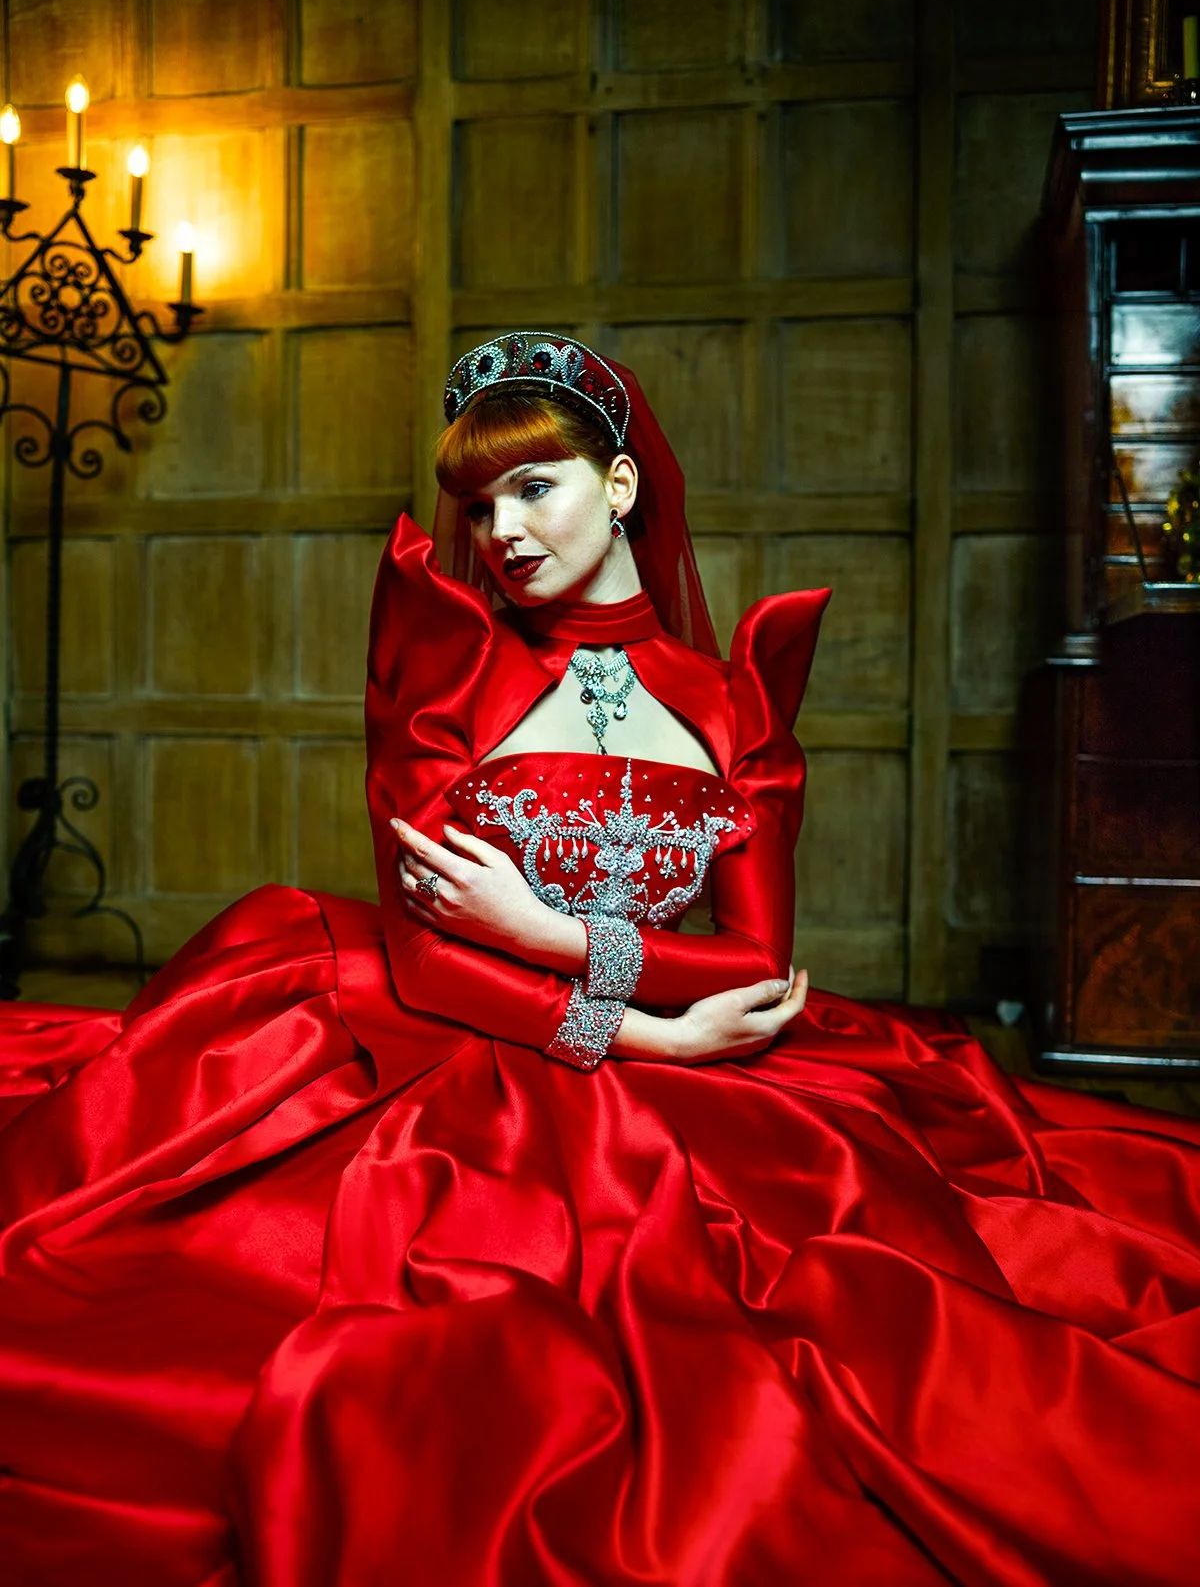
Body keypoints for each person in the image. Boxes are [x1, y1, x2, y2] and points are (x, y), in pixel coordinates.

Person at [0, 332, 1197, 1587]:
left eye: (535, 486)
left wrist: (546, 935)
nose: (501, 530)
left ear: (620, 487)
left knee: (884, 1292)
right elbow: (426, 965)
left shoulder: (733, 701)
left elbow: (753, 955)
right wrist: (642, 1033)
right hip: (462, 1050)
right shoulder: (441, 675)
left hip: (641, 1036)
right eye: (477, 504)